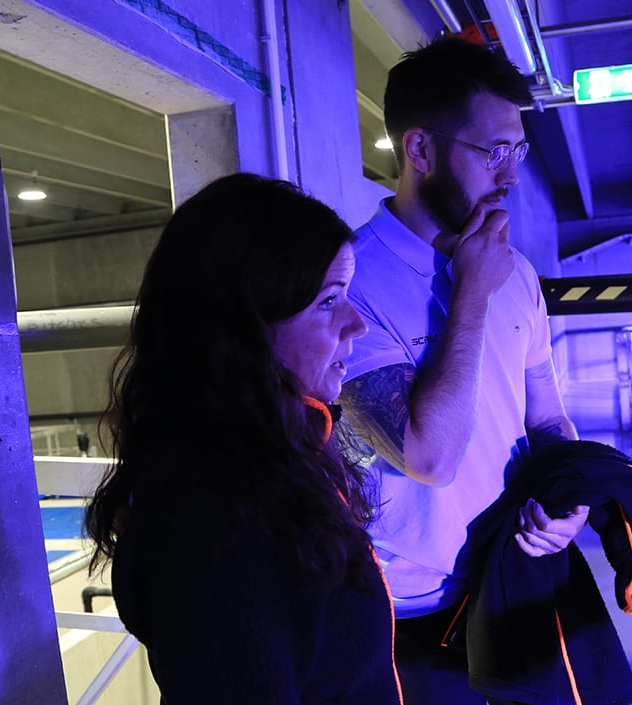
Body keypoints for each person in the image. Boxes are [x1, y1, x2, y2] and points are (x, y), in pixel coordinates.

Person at [84, 173, 402, 704]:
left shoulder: (277, 459)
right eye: (328, 301)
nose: (357, 324)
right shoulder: (216, 522)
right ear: (242, 326)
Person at [339, 37, 590, 704]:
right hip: (407, 613)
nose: (510, 176)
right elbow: (429, 455)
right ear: (421, 150)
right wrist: (471, 291)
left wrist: (567, 498)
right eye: (492, 152)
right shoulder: (350, 282)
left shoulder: (519, 274)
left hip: (510, 577)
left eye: (519, 152)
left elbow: (546, 417)